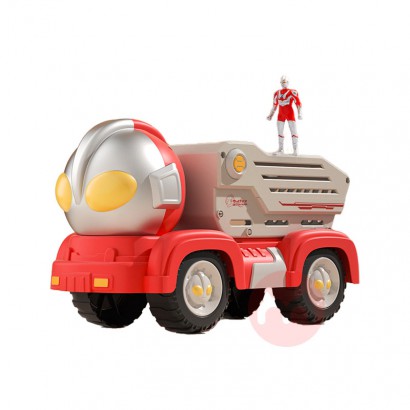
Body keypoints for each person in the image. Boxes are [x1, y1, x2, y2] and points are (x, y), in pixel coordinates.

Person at [267, 75, 302, 155]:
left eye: (284, 82)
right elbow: (274, 105)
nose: (283, 83)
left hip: (290, 113)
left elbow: (298, 103)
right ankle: (281, 149)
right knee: (280, 132)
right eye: (282, 82)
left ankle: (295, 149)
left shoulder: (292, 92)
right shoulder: (276, 93)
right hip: (281, 114)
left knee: (293, 131)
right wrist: (270, 115)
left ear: (288, 82)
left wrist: (299, 113)